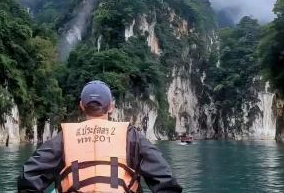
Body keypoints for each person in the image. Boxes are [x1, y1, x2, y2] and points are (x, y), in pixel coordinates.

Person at [17, 80, 183, 193]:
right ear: (110, 107)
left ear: (82, 106)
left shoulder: (64, 138)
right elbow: (165, 179)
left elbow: (29, 177)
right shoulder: (131, 136)